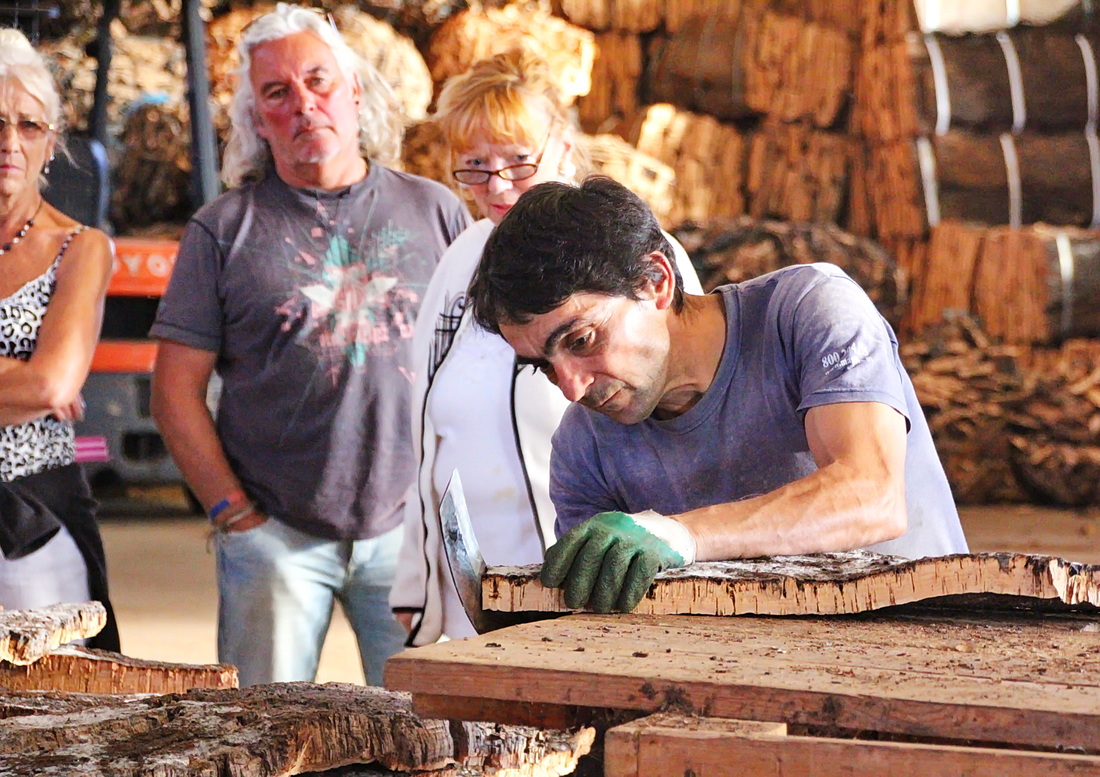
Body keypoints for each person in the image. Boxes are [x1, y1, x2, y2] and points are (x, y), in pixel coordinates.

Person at [467, 176, 969, 614]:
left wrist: (685, 536)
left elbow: (871, 496)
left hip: (926, 650)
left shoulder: (808, 310)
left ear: (655, 282)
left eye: (581, 341)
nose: (572, 388)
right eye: (542, 366)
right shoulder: (584, 450)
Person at [149, 3, 471, 686]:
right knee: (261, 738)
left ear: (354, 90)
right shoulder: (221, 230)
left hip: (408, 532)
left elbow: (477, 362)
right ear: (257, 121)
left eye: (319, 81)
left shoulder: (435, 209)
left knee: (429, 734)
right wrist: (233, 513)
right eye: (277, 93)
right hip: (275, 538)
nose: (304, 104)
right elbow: (174, 392)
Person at [389, 51, 702, 645]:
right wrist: (418, 576)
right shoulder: (462, 256)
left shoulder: (629, 251)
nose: (497, 184)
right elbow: (425, 427)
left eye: (516, 159)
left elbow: (689, 414)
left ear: (562, 143)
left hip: (587, 577)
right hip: (466, 585)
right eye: (475, 166)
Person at [0, 28, 120, 649]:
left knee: (51, 718)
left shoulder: (81, 247)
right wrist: (15, 381)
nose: (8, 143)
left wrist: (40, 384)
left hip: (32, 525)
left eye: (28, 126)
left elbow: (52, 381)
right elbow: (34, 384)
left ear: (51, 144)